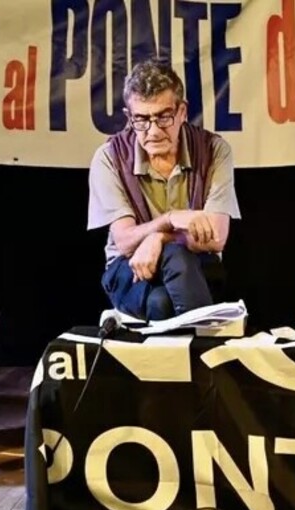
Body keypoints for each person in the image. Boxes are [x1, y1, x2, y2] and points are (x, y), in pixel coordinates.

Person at [87, 57, 241, 321]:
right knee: (165, 289)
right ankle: (207, 340)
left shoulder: (214, 150)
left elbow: (216, 238)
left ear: (182, 112)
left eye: (163, 117)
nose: (154, 131)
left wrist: (159, 238)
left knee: (163, 295)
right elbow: (124, 242)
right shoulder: (109, 157)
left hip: (198, 266)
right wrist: (170, 219)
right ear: (129, 117)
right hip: (130, 267)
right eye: (141, 120)